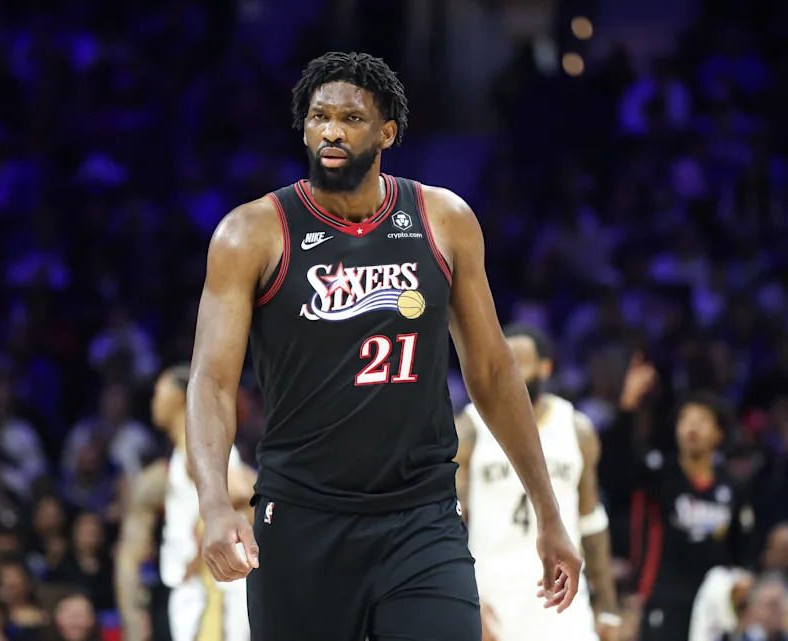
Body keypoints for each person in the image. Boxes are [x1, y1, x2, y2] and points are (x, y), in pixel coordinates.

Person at [186, 51, 582, 641]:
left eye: (351, 118)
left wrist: (549, 513)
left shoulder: (443, 219)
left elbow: (495, 374)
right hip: (301, 520)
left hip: (420, 518)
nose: (333, 131)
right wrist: (216, 503)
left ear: (387, 132)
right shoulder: (251, 233)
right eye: (319, 117)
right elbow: (212, 382)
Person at [455, 323, 620, 641]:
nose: (510, 373)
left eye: (520, 364)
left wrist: (608, 607)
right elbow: (451, 519)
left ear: (546, 368)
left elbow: (592, 521)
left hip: (563, 600)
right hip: (491, 592)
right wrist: (466, 598)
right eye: (505, 362)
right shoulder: (470, 427)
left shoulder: (577, 429)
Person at [604, 355, 756, 641]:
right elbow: (614, 469)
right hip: (663, 602)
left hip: (714, 608)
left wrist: (744, 581)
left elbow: (742, 552)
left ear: (719, 433)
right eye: (685, 419)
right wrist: (627, 407)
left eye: (702, 420)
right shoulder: (659, 476)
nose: (691, 427)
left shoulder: (733, 488)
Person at [116, 364, 255, 641]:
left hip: (214, 590)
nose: (153, 401)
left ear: (180, 397)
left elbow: (248, 493)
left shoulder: (200, 452)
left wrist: (203, 540)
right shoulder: (181, 457)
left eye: (159, 392)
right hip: (196, 590)